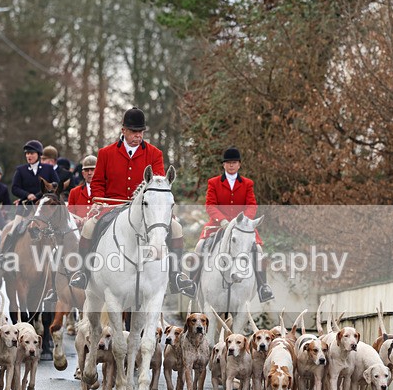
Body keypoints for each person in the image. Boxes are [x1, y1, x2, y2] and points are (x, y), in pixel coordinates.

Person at [69, 107, 195, 297]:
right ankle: (84, 273)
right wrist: (98, 201)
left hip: (145, 210)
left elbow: (159, 181)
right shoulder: (105, 153)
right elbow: (97, 182)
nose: (138, 136)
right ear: (123, 131)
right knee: (88, 227)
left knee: (176, 228)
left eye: (141, 132)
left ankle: (175, 276)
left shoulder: (154, 154)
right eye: (134, 132)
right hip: (112, 207)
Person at [197, 146, 273, 302]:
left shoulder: (247, 184)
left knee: (258, 250)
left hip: (242, 227)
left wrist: (244, 220)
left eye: (234, 162)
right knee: (200, 246)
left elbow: (252, 205)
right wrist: (223, 220)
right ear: (223, 165)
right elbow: (210, 205)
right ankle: (193, 284)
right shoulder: (214, 183)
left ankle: (262, 286)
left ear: (239, 164)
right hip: (219, 225)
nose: (231, 165)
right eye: (228, 163)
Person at [67, 155, 96, 225]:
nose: (89, 173)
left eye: (92, 170)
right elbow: (70, 215)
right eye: (86, 170)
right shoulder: (74, 192)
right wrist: (76, 221)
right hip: (79, 231)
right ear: (83, 174)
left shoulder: (106, 191)